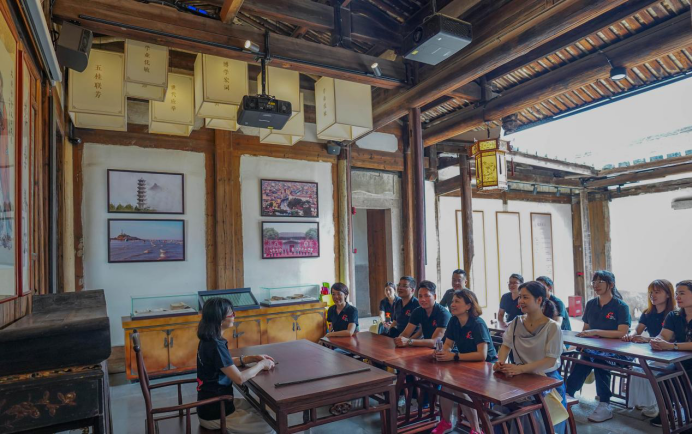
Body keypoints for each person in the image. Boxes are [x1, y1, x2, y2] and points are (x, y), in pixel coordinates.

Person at [493, 281, 567, 433]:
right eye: (520, 297)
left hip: (547, 380)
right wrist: (499, 362)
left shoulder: (552, 327)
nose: (520, 301)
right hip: (520, 378)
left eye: (525, 297)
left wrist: (520, 369)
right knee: (498, 406)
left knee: (528, 412)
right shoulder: (516, 322)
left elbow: (550, 361)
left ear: (539, 300)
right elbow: (506, 345)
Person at [196, 297, 275, 433]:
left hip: (212, 404)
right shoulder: (215, 345)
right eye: (231, 314)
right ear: (220, 319)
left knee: (264, 409)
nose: (234, 316)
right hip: (216, 412)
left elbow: (224, 363)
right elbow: (239, 378)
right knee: (270, 427)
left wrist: (251, 358)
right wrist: (262, 365)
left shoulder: (209, 339)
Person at [565, 270, 631, 423]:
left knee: (600, 360)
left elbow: (622, 332)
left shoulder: (621, 306)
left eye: (600, 281)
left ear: (611, 284)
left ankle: (604, 404)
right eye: (594, 282)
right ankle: (567, 394)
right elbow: (586, 329)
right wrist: (582, 342)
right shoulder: (591, 304)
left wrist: (595, 332)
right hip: (593, 349)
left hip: (616, 351)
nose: (596, 285)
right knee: (584, 360)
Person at [432, 289, 497, 434]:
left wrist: (454, 357)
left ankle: (476, 429)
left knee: (457, 387)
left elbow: (482, 355)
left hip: (487, 369)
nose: (452, 304)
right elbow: (448, 344)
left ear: (468, 305)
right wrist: (442, 352)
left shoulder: (477, 324)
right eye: (452, 301)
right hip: (466, 365)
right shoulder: (454, 321)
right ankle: (446, 422)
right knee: (445, 384)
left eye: (457, 301)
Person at [622, 279, 676, 421]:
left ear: (668, 294)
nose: (653, 295)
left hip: (668, 353)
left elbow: (670, 338)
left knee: (648, 368)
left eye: (657, 292)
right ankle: (646, 403)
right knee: (637, 366)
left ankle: (659, 405)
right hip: (652, 350)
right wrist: (631, 336)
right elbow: (637, 330)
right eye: (651, 292)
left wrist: (646, 340)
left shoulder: (673, 315)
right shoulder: (648, 313)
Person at [394, 281, 451, 348]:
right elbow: (406, 333)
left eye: (426, 296)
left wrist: (409, 341)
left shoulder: (444, 314)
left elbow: (435, 342)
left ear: (434, 296)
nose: (423, 299)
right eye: (420, 296)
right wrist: (400, 340)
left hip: (445, 351)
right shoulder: (417, 311)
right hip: (427, 349)